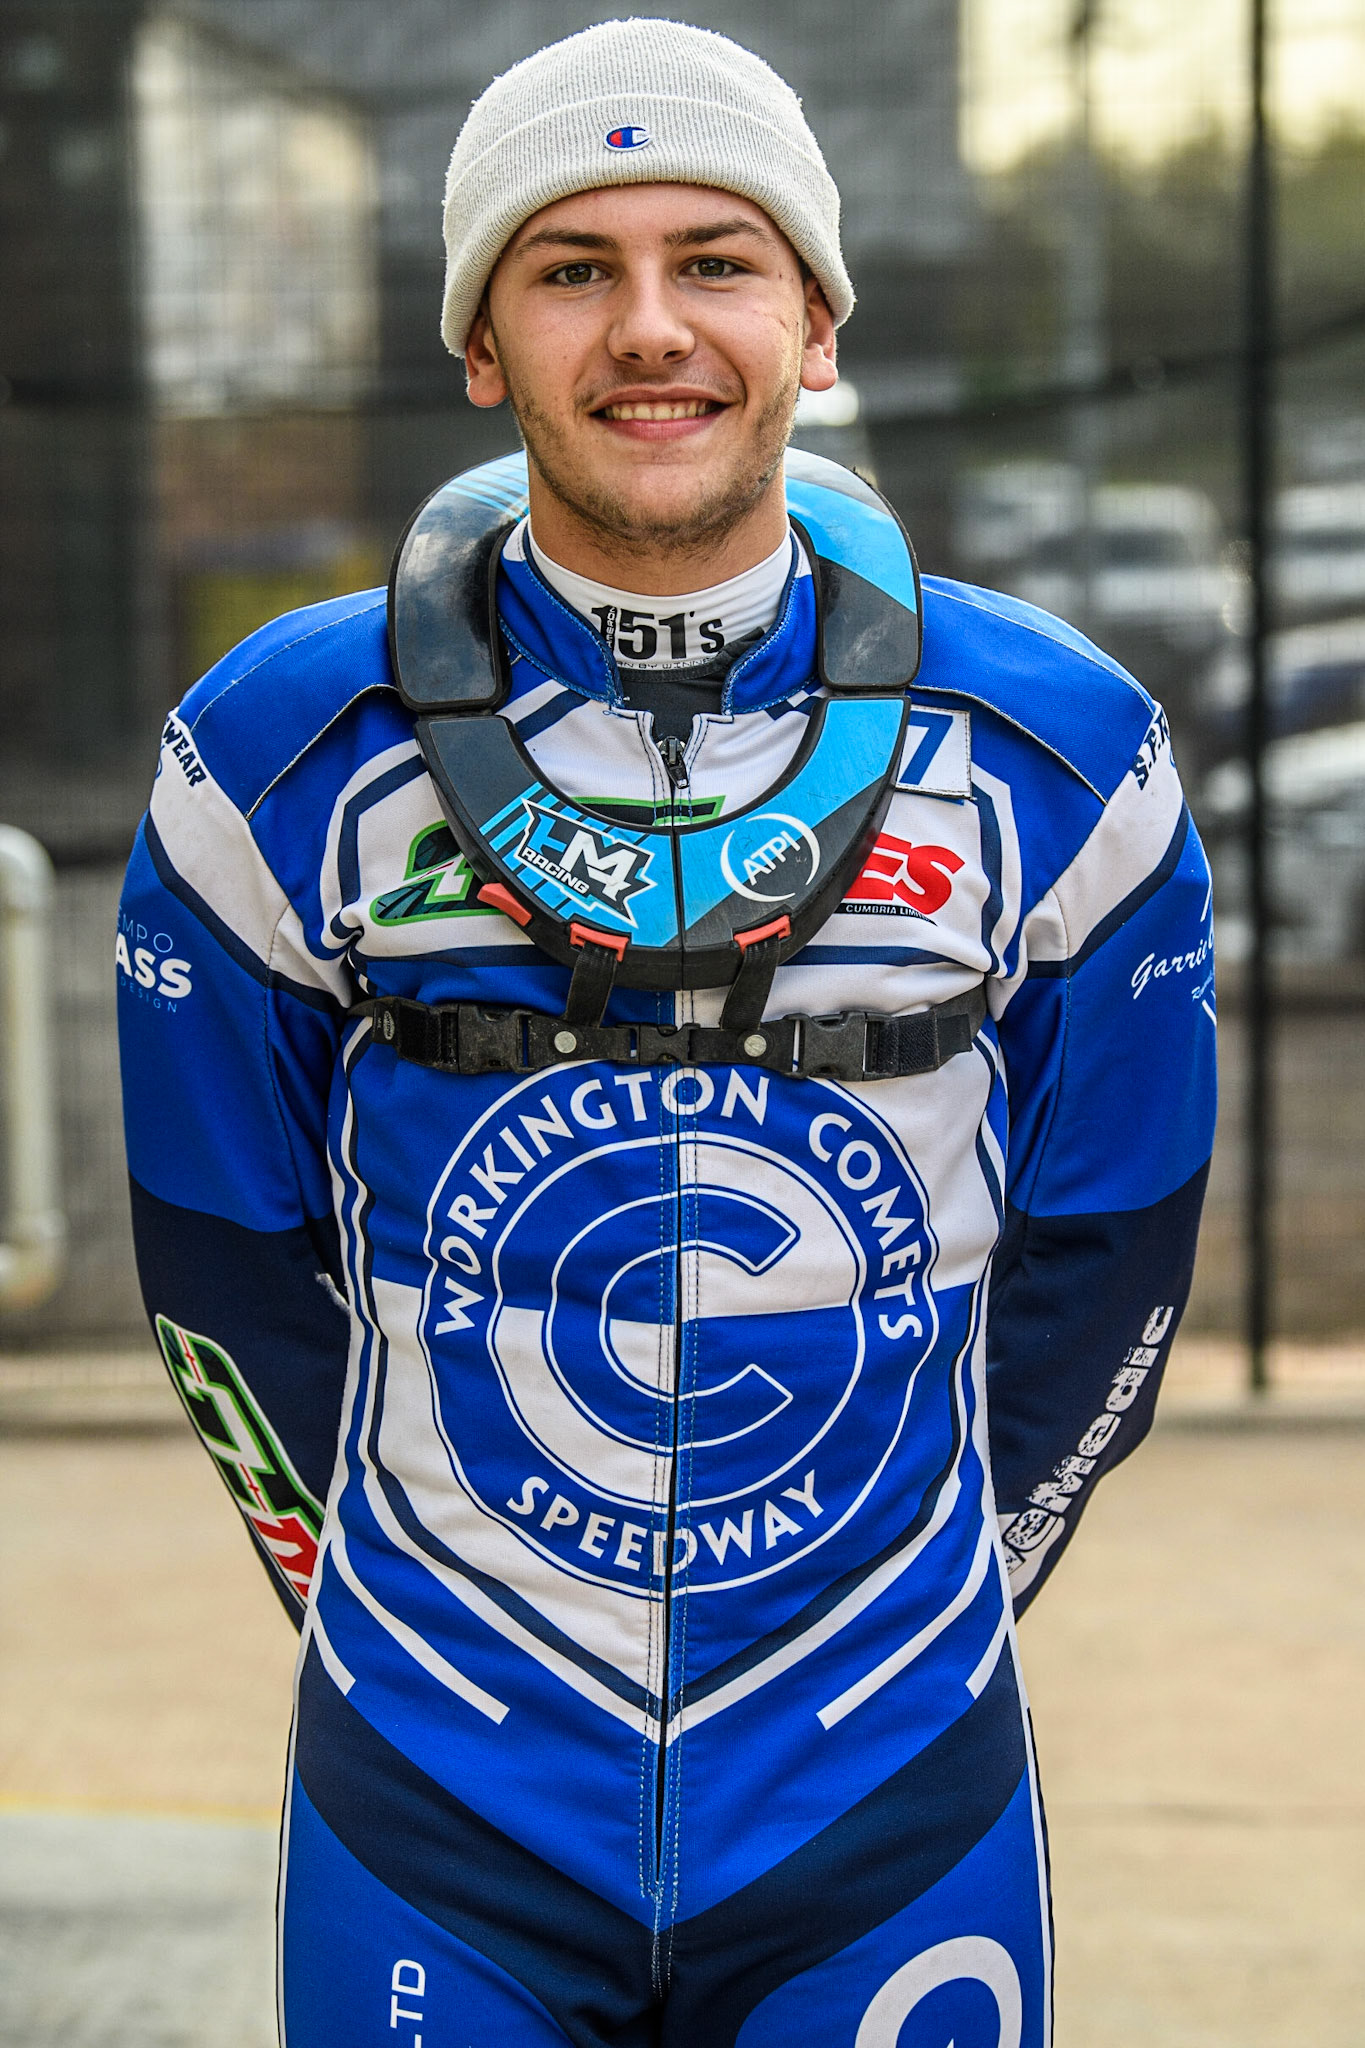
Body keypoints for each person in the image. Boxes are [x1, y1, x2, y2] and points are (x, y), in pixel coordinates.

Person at [117, 19, 1216, 2047]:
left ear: (812, 320)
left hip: (886, 1788)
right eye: (570, 269)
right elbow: (219, 1261)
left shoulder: (1061, 755)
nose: (649, 329)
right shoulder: (270, 757)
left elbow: (1111, 1254)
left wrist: (909, 1615)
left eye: (713, 260)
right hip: (436, 1794)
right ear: (480, 342)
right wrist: (408, 1627)